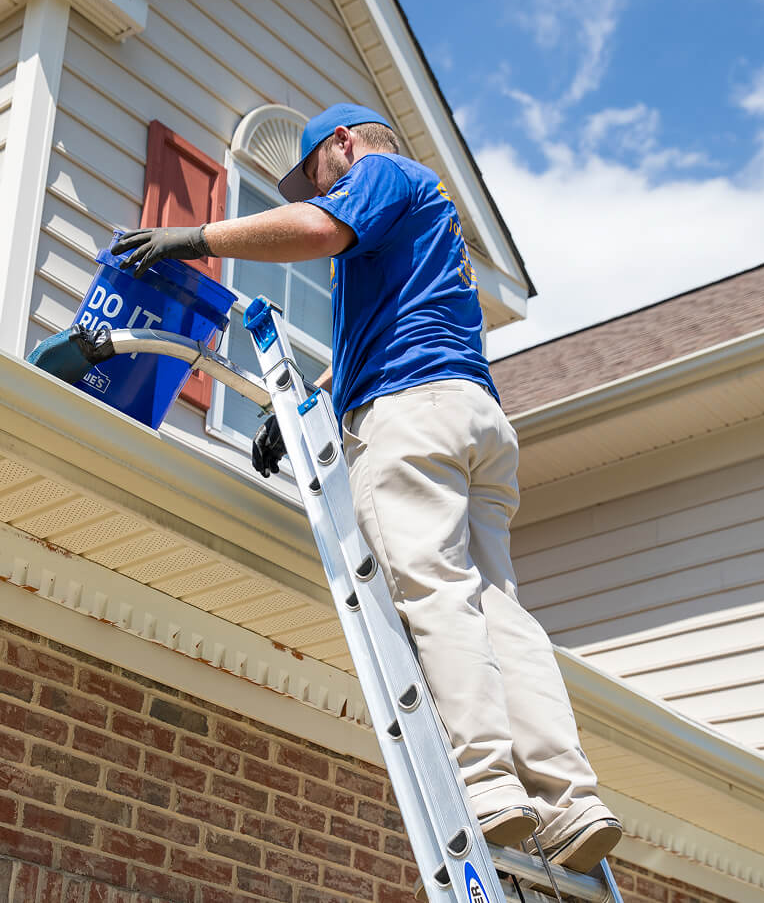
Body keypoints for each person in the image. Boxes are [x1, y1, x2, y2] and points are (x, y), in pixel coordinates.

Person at [111, 103, 622, 874]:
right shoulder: (429, 221)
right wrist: (304, 407)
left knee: (433, 590)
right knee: (497, 609)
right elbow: (378, 333)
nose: (320, 193)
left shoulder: (382, 172)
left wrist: (195, 238)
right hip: (473, 418)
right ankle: (569, 800)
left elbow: (317, 230)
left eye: (316, 176)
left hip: (411, 418)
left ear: (343, 144)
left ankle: (488, 784)